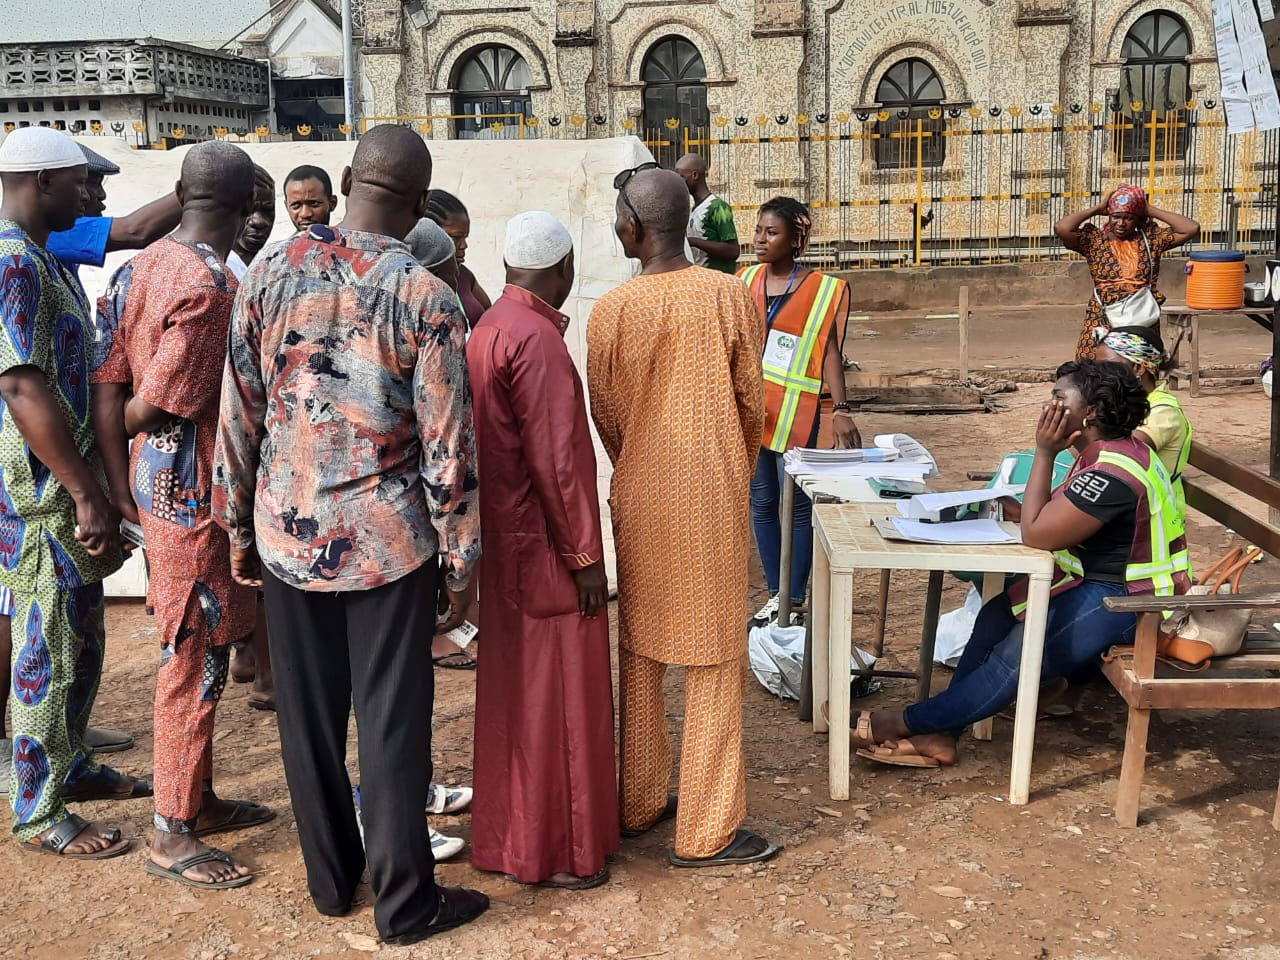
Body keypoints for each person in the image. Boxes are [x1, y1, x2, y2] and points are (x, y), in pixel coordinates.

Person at [213, 124, 488, 945]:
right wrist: (461, 556)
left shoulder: (267, 275)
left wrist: (235, 526)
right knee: (392, 724)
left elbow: (240, 414)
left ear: (345, 180)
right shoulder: (426, 297)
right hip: (388, 545)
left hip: (286, 537)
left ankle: (332, 883)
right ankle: (407, 905)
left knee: (307, 721)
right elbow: (449, 447)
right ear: (418, 201)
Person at [845, 360, 1191, 768]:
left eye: (1060, 397)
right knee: (995, 615)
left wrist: (1045, 452)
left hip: (1131, 600)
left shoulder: (1111, 472)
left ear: (1091, 412)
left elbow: (1037, 534)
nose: (1049, 405)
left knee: (1017, 652)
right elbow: (1046, 516)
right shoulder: (1109, 452)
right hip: (1096, 582)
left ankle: (905, 722)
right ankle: (941, 735)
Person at [91, 140, 274, 889]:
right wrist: (130, 450)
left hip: (155, 485)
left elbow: (108, 380)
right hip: (192, 494)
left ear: (180, 192)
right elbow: (152, 403)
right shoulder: (209, 289)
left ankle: (195, 799)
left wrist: (117, 481)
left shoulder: (140, 265)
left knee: (197, 654)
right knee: (191, 661)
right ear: (242, 211)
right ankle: (172, 830)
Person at [587, 166, 780, 868]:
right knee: (715, 660)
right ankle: (706, 830)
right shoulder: (730, 296)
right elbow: (752, 402)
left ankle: (638, 803)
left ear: (631, 229)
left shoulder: (608, 311)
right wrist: (730, 461)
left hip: (639, 494)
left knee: (640, 654)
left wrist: (638, 461)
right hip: (712, 493)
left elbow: (605, 416)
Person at [0, 127, 150, 859]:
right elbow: (23, 387)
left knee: (83, 640)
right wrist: (85, 494)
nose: (94, 196)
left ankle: (72, 766)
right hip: (43, 496)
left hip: (68, 487)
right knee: (46, 647)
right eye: (83, 184)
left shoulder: (41, 258)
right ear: (46, 183)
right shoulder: (11, 264)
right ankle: (37, 810)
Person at [468, 211, 619, 889]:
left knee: (512, 697)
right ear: (562, 270)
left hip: (503, 542)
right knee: (559, 698)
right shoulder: (538, 341)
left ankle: (509, 839)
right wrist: (586, 556)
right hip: (547, 548)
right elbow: (558, 462)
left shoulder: (489, 328)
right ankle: (560, 849)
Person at [738, 197, 859, 626]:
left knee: (801, 507)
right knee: (763, 502)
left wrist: (842, 409)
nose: (760, 239)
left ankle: (795, 596)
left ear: (796, 241)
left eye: (772, 232)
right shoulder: (743, 280)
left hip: (800, 416)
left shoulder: (823, 288)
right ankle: (777, 595)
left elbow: (829, 350)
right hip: (754, 415)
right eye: (758, 230)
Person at [1054, 184, 1199, 359]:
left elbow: (1191, 229)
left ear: (1138, 219)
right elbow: (1062, 228)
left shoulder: (1150, 239)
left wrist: (1149, 209)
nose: (1121, 223)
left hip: (1141, 313)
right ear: (1109, 216)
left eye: (1129, 218)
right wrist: (1097, 208)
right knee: (1093, 364)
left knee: (1139, 364)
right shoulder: (1093, 240)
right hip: (1102, 314)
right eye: (1116, 217)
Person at [1094, 326, 1193, 521]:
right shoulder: (1122, 403)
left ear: (1138, 368)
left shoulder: (1163, 412)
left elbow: (1122, 455)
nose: (1098, 376)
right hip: (1130, 505)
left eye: (1106, 367)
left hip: (1154, 519)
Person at [45, 142, 183, 280]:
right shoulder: (49, 232)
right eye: (91, 183)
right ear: (46, 182)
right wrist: (194, 189)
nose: (102, 194)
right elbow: (136, 232)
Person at [425, 190, 491, 328]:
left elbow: (489, 312)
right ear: (429, 233)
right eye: (455, 237)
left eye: (465, 237)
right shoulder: (414, 283)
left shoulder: (463, 275)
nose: (464, 245)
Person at [674, 153, 739, 273]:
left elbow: (733, 250)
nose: (679, 183)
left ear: (695, 175)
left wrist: (694, 242)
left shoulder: (717, 207)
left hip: (719, 282)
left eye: (681, 177)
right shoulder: (694, 210)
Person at [226, 165, 276, 280]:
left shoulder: (279, 265)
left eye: (268, 210)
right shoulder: (211, 269)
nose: (259, 221)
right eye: (249, 210)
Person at [283, 164, 338, 233]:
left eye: (314, 204)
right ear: (287, 207)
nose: (305, 214)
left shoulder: (350, 242)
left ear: (332, 203)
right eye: (296, 206)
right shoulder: (283, 244)